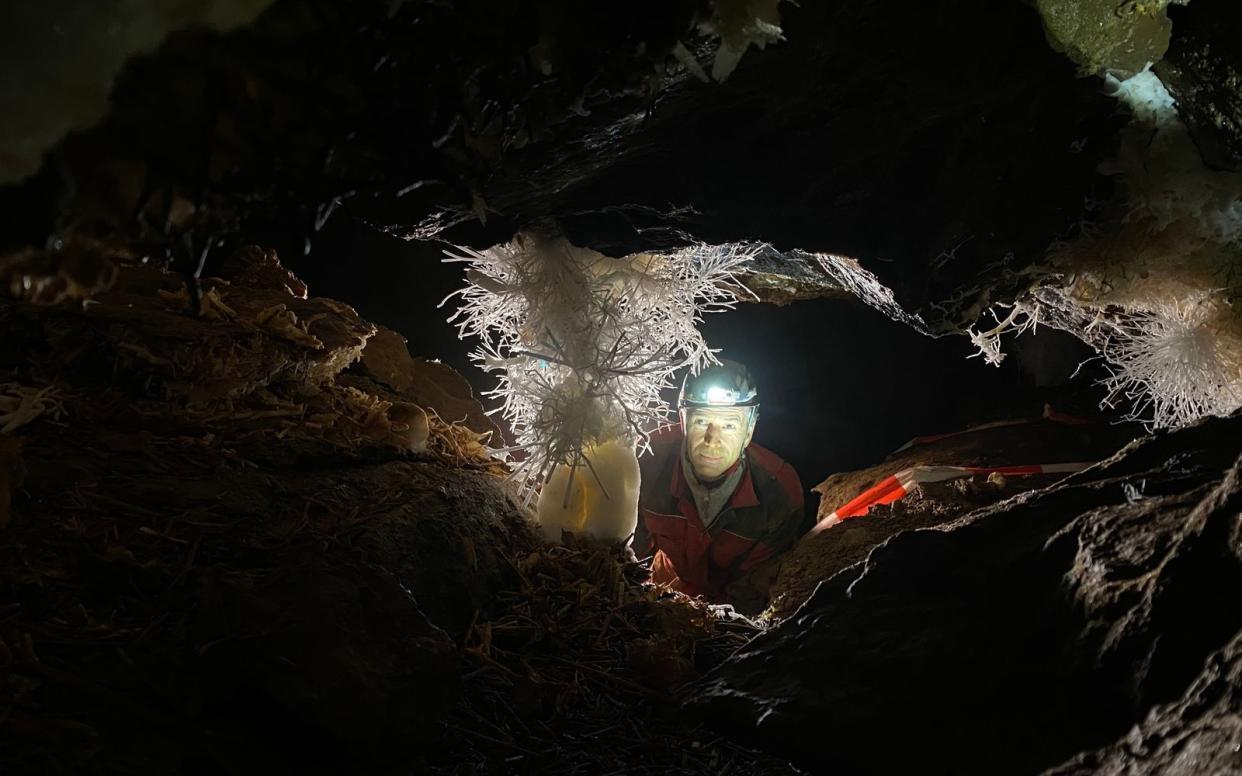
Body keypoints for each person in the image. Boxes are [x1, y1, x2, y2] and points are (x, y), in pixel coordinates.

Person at [631, 359, 809, 615]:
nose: (712, 440)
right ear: (683, 420)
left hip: (728, 608)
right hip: (659, 587)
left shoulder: (777, 492)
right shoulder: (646, 462)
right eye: (702, 422)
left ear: (749, 430)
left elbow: (756, 585)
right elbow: (628, 548)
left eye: (729, 425)